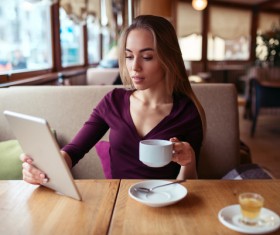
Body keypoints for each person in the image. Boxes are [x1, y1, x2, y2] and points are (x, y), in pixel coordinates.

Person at [20, 15, 206, 185]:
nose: (135, 67)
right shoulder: (113, 101)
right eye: (129, 56)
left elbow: (190, 186)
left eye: (147, 57)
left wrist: (188, 162)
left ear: (168, 59)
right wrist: (43, 169)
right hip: (118, 203)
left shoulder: (188, 112)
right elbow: (73, 151)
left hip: (166, 203)